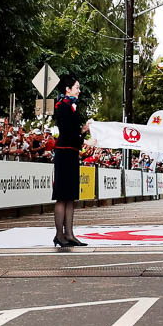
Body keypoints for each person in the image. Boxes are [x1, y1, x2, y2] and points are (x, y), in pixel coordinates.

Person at [51, 76, 91, 247]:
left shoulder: (71, 106)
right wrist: (83, 135)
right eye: (76, 87)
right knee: (62, 196)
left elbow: (73, 132)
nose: (78, 90)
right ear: (67, 89)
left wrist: (83, 131)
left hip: (71, 153)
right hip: (64, 153)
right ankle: (60, 235)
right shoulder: (63, 106)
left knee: (70, 197)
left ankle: (69, 234)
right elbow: (67, 133)